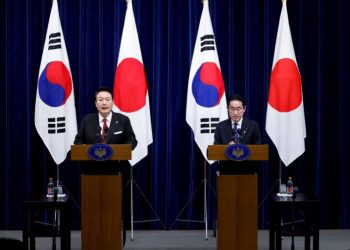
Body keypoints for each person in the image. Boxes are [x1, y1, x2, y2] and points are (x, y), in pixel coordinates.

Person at [214, 94, 261, 175]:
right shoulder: (220, 126)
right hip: (226, 171)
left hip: (248, 171)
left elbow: (258, 149)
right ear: (228, 108)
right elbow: (216, 149)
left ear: (244, 109)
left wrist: (242, 148)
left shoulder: (253, 125)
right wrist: (227, 148)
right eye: (232, 109)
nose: (235, 113)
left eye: (238, 109)